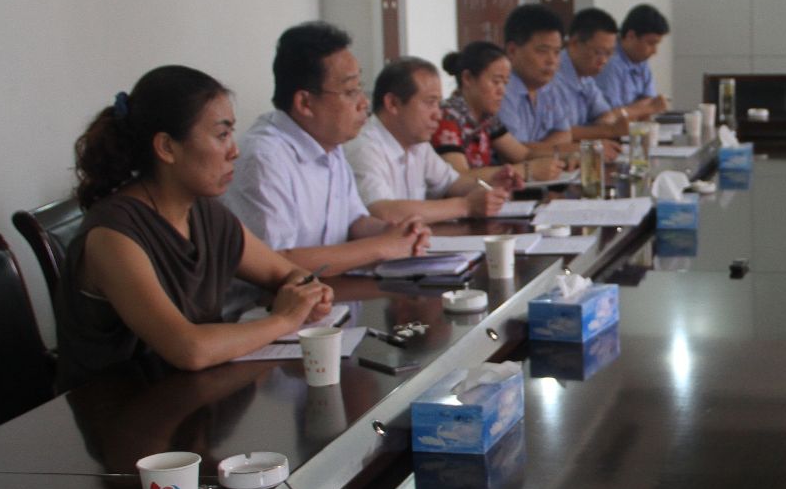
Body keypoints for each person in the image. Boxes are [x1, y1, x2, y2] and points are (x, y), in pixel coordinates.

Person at [55, 66, 334, 389]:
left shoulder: (205, 213)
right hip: (119, 407)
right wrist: (285, 319)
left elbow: (287, 273)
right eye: (221, 135)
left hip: (190, 395)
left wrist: (309, 292)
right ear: (166, 147)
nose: (235, 151)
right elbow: (189, 349)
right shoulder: (113, 236)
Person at [223, 21, 430, 274]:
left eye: (360, 88)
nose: (364, 102)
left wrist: (396, 232)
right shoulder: (264, 158)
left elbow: (353, 221)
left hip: (329, 292)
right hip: (270, 298)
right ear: (305, 103)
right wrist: (382, 246)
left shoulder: (328, 143)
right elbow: (274, 262)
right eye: (350, 91)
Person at [344, 57, 518, 223]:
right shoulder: (363, 147)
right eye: (430, 103)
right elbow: (382, 212)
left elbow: (452, 183)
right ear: (393, 104)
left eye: (438, 104)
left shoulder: (417, 144)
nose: (438, 115)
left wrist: (490, 186)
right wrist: (465, 206)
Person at [433, 40, 565, 182]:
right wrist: (527, 170)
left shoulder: (487, 117)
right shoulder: (448, 116)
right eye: (496, 82)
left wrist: (567, 158)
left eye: (505, 83)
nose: (502, 91)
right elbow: (459, 177)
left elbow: (523, 154)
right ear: (468, 78)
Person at [497, 3, 574, 150]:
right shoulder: (501, 90)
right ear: (512, 51)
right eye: (542, 51)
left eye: (557, 52)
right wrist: (558, 149)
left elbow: (565, 134)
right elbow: (513, 151)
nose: (552, 61)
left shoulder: (549, 86)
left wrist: (539, 150)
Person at [554, 7, 629, 153]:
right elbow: (559, 135)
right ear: (574, 43)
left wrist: (603, 129)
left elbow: (605, 114)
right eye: (598, 52)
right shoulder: (552, 76)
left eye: (609, 53)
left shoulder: (586, 77)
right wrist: (607, 131)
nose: (604, 60)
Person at [595, 3, 670, 119]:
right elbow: (607, 118)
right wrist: (646, 108)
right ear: (631, 36)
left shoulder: (640, 60)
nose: (655, 51)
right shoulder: (609, 62)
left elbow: (650, 103)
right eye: (651, 43)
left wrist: (637, 109)